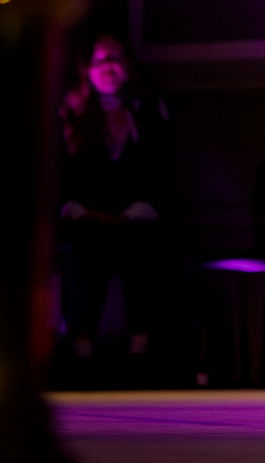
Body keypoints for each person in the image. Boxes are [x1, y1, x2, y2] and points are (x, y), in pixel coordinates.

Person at [58, 34, 172, 376]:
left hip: (135, 217)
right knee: (82, 249)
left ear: (128, 65)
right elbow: (60, 175)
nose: (108, 67)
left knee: (143, 245)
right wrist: (86, 213)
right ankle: (81, 353)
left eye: (114, 58)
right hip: (84, 218)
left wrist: (128, 215)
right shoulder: (71, 113)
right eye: (99, 60)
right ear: (87, 69)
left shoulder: (148, 110)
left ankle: (141, 353)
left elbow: (161, 173)